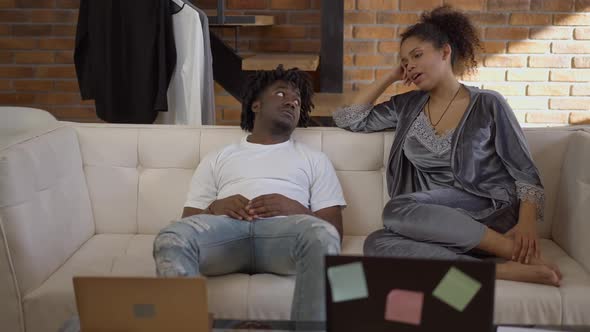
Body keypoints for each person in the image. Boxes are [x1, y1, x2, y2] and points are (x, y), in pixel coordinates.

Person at [333, 6, 561, 286]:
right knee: (377, 243)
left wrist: (526, 225)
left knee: (396, 209)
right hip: (434, 221)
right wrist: (391, 76)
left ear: (445, 52)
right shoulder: (406, 107)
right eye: (404, 62)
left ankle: (513, 251)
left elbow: (524, 170)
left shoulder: (488, 104)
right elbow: (349, 118)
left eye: (417, 55)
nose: (410, 66)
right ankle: (498, 270)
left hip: (488, 211)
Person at [153, 65, 346, 322]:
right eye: (281, 94)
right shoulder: (218, 158)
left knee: (322, 236)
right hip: (226, 236)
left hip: (283, 238)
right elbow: (188, 221)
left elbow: (333, 232)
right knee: (171, 237)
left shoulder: (314, 159)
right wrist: (215, 208)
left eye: (297, 100)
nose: (292, 101)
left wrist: (295, 209)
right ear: (255, 105)